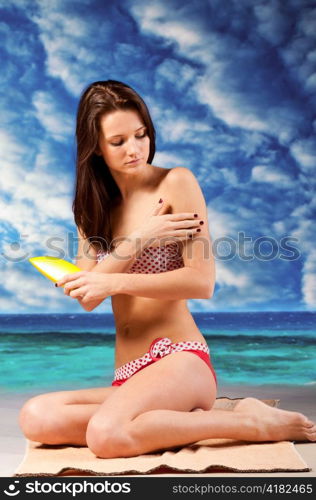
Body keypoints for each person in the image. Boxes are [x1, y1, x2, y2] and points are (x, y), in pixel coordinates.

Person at [19, 80, 315, 458]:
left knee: (106, 436)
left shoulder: (176, 183)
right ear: (94, 147)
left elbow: (201, 282)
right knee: (38, 417)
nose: (135, 149)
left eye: (141, 135)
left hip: (178, 358)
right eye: (118, 141)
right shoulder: (91, 209)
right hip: (129, 373)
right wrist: (140, 238)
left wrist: (112, 278)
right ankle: (227, 409)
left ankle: (253, 422)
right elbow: (86, 295)